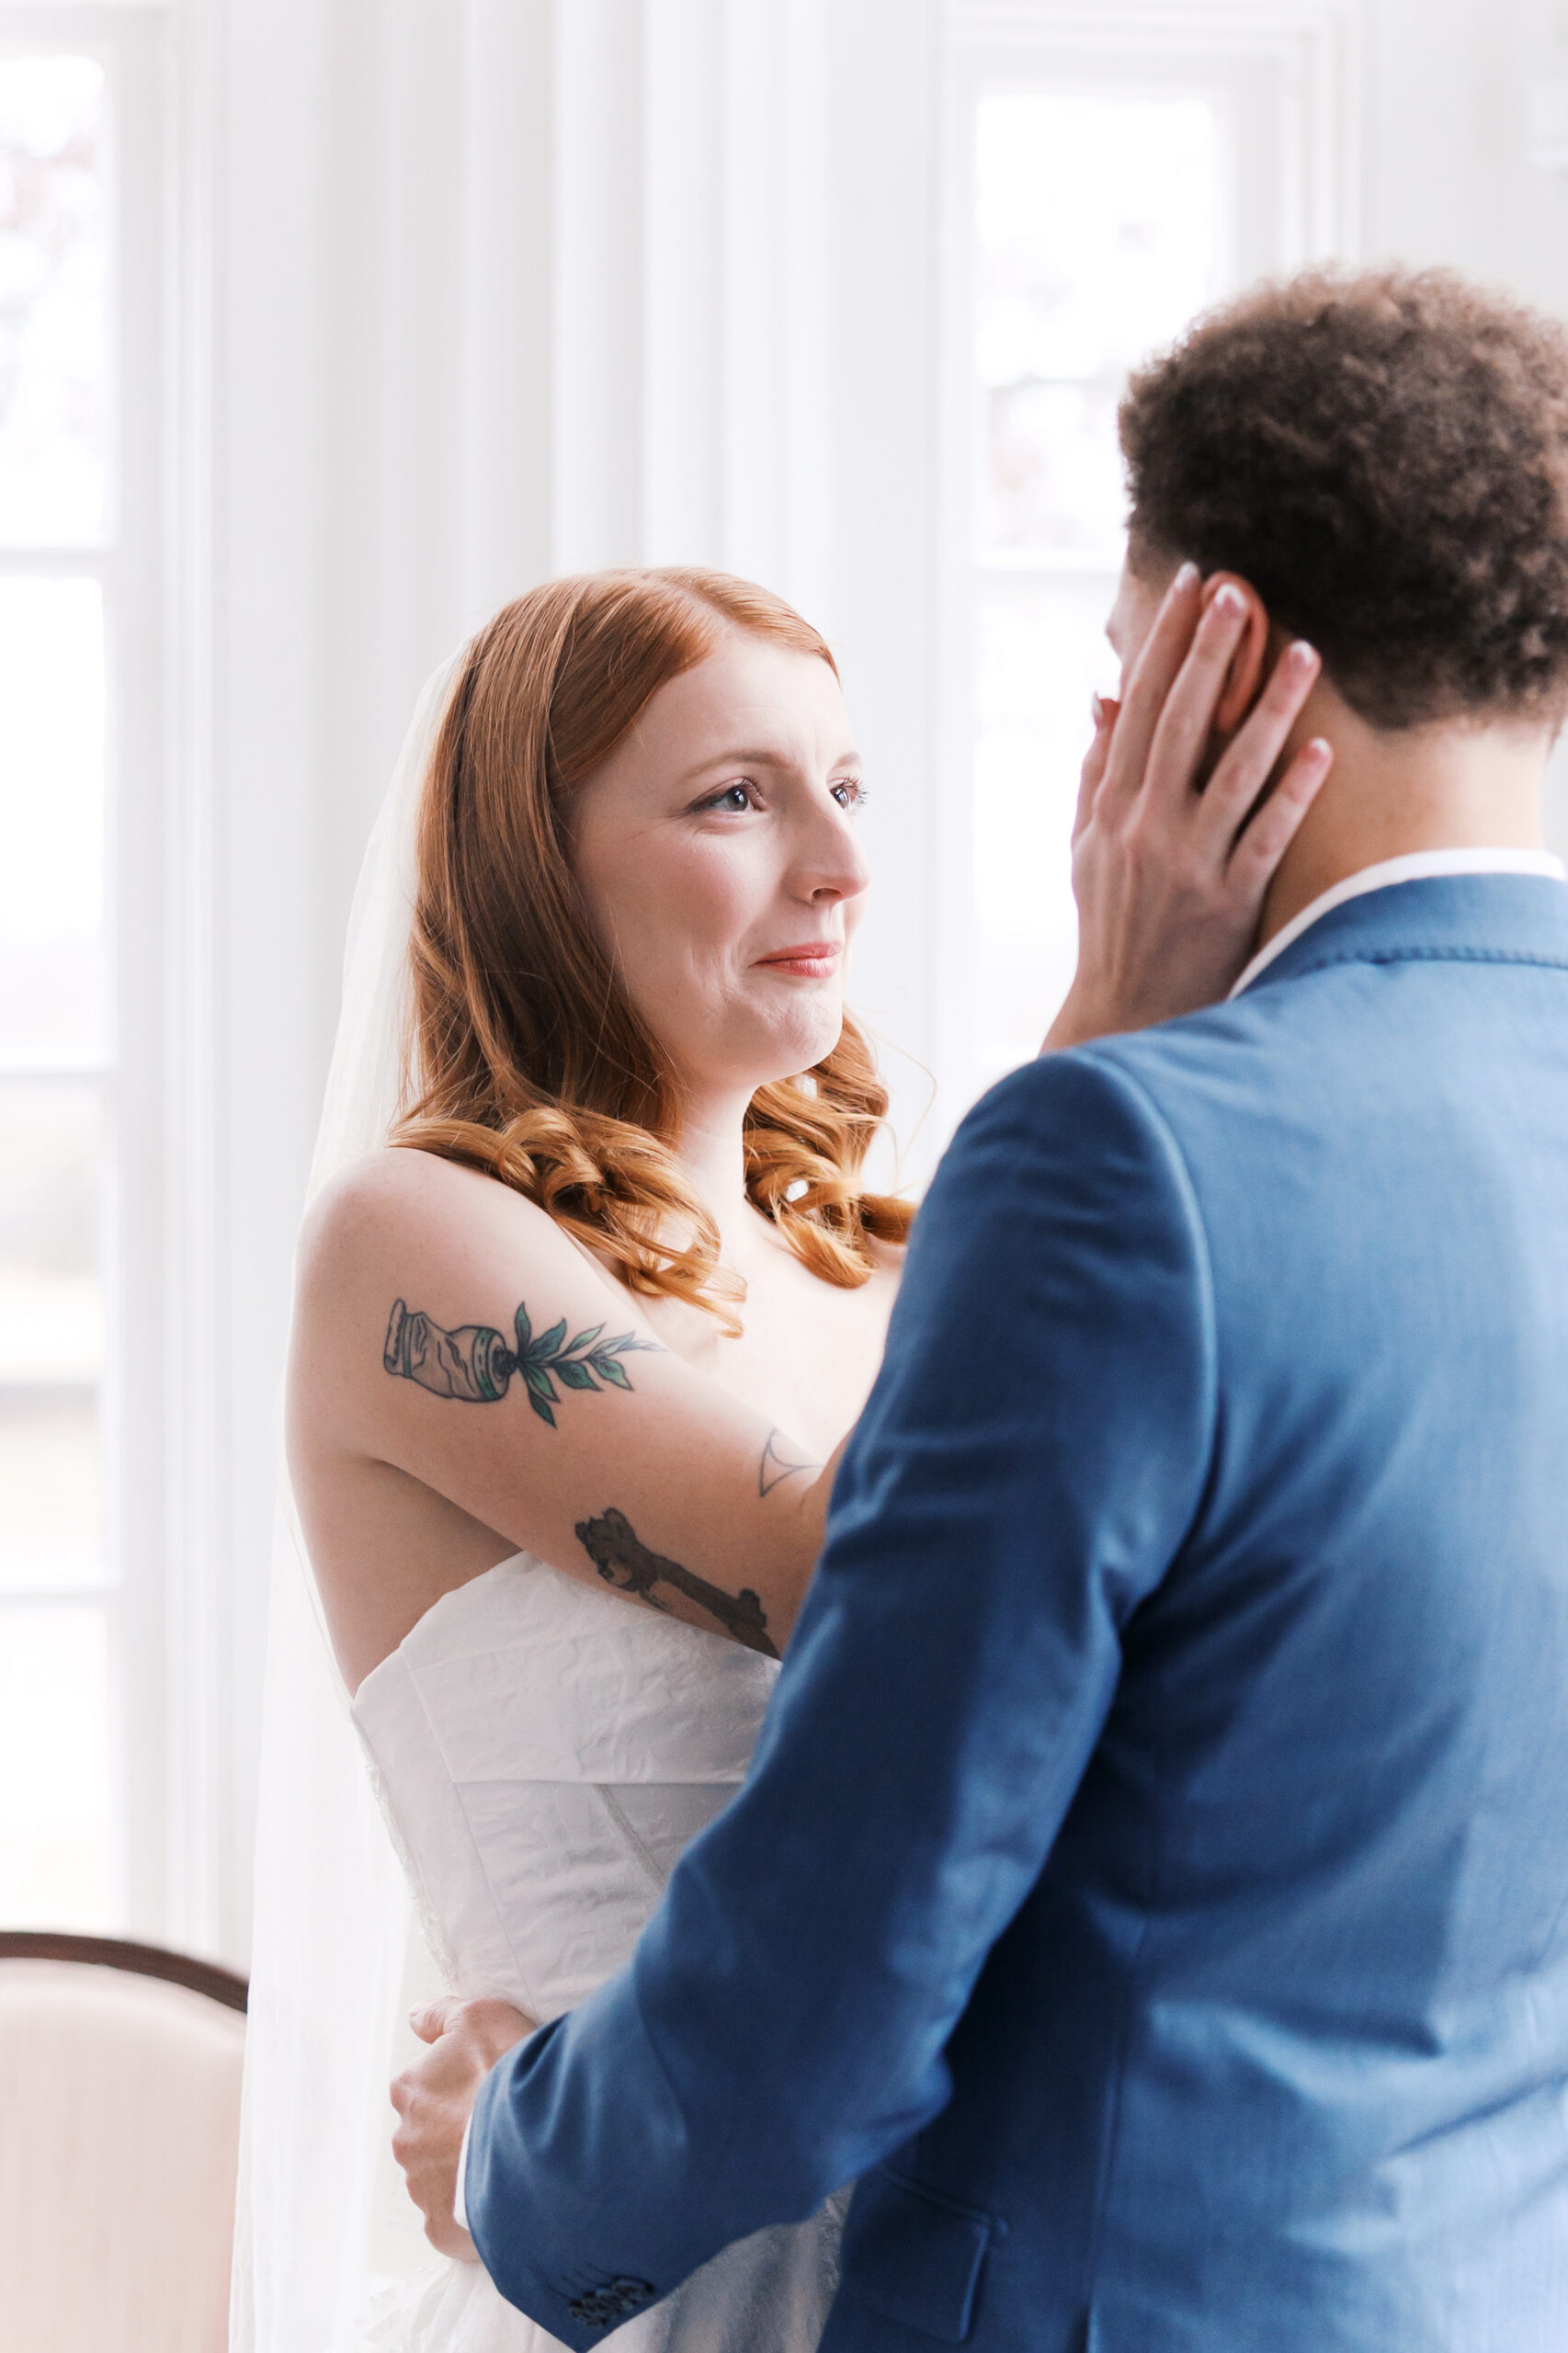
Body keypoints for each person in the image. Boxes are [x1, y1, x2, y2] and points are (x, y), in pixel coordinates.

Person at [391, 267, 1568, 2352]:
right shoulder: (429, 1243)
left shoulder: (1128, 1164)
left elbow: (836, 1962)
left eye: (1124, 677)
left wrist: (511, 2152)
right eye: (737, 794)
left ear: (1226, 674)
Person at [233, 558, 1324, 2353]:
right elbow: (870, 1579)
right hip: (647, 2284)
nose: (838, 859)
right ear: (535, 863)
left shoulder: (917, 1265)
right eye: (736, 796)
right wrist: (1114, 1009)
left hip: (972, 2270)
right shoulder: (414, 1241)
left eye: (849, 785)